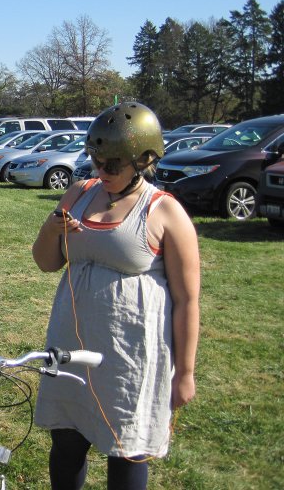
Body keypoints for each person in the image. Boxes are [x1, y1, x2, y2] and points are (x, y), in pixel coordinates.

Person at [31, 102, 200, 490]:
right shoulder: (79, 194)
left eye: (112, 165)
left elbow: (188, 300)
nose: (101, 171)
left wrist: (185, 374)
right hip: (72, 344)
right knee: (67, 442)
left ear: (143, 160)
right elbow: (45, 263)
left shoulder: (165, 212)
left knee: (126, 448)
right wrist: (51, 230)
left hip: (130, 356)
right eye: (95, 161)